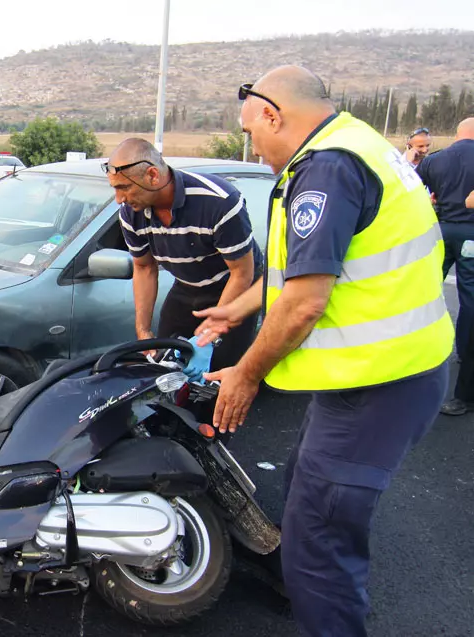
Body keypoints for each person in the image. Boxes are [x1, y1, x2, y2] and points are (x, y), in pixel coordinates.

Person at [194, 66, 452, 637]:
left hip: (378, 384)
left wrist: (245, 374)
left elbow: (306, 302)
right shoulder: (358, 142)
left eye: (251, 133)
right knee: (306, 497)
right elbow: (313, 268)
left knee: (318, 542)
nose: (252, 147)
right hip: (392, 372)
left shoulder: (327, 170)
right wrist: (238, 308)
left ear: (272, 114)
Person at [105, 138, 261, 370]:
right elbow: (144, 268)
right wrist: (143, 330)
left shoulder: (219, 202)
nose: (120, 199)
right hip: (186, 287)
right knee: (164, 367)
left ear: (153, 175)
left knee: (217, 374)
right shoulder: (130, 212)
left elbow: (242, 273)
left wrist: (210, 331)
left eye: (124, 188)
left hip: (234, 287)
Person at [417, 118, 474, 414]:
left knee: (426, 288)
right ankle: (465, 350)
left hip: (440, 230)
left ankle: (418, 347)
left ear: (457, 134)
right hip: (471, 233)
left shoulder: (436, 160)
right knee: (470, 298)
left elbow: (413, 191)